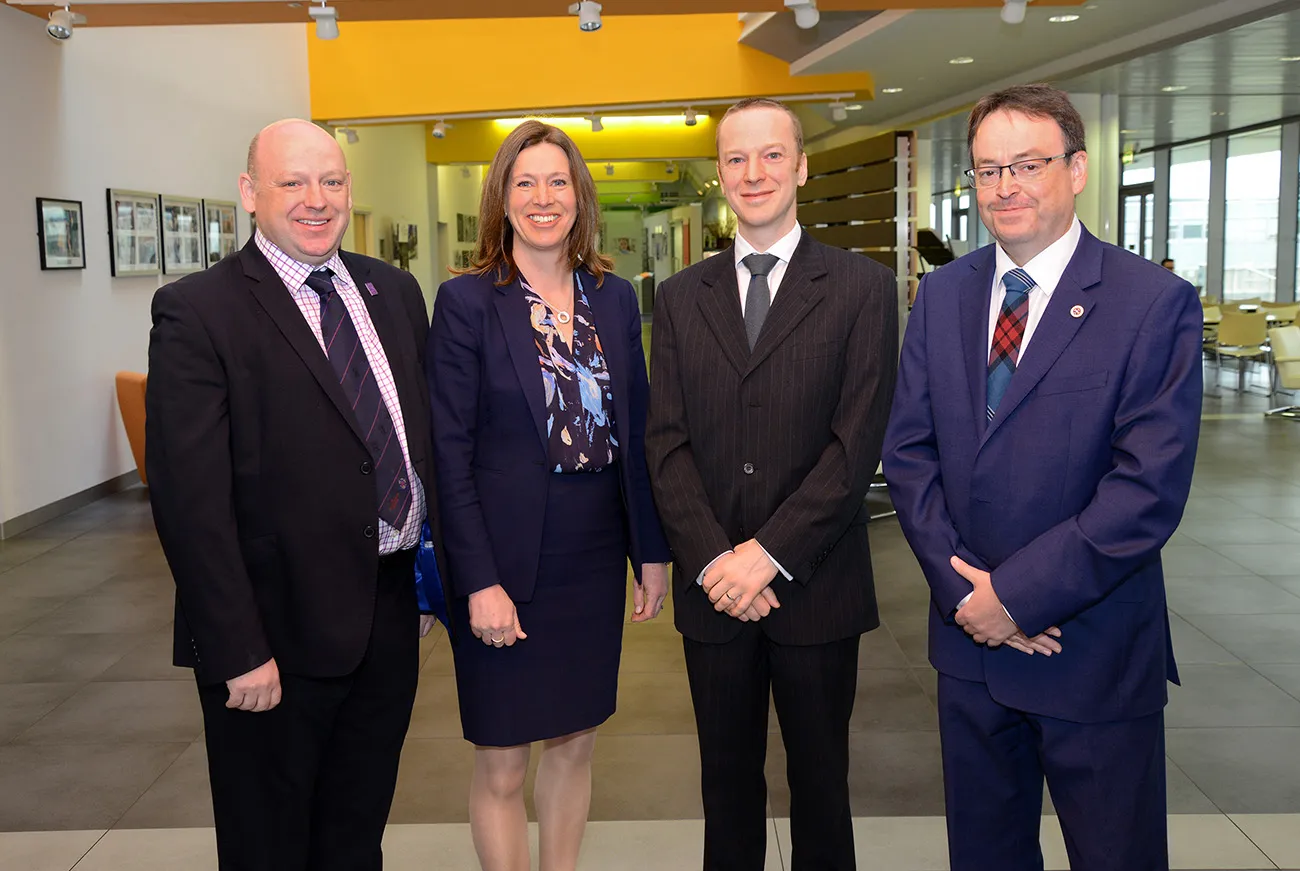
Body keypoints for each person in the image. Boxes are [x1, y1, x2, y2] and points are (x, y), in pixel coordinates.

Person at [882, 84, 1202, 871]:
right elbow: (910, 454)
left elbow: (1145, 491)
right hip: (971, 655)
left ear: (1079, 168)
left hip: (1090, 651)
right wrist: (968, 599)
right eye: (988, 170)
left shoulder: (1151, 303)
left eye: (1028, 164)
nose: (1005, 187)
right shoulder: (944, 297)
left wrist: (1015, 597)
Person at [145, 119, 438, 871]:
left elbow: (415, 444)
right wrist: (237, 648)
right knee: (269, 845)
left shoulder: (394, 292)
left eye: (332, 181)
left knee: (355, 835)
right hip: (272, 636)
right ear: (250, 193)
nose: (317, 199)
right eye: (293, 182)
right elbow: (190, 504)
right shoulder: (199, 311)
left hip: (386, 618)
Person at [645, 98, 899, 870]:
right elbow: (665, 442)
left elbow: (854, 449)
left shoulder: (861, 288)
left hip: (815, 586)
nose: (753, 173)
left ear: (801, 166)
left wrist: (768, 555)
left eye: (770, 156)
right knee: (725, 786)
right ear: (719, 172)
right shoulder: (683, 296)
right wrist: (720, 562)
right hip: (713, 590)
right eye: (735, 159)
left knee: (823, 786)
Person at [427, 120, 671, 871]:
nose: (542, 197)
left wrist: (651, 552)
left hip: (592, 552)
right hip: (503, 559)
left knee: (574, 742)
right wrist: (479, 582)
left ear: (579, 196)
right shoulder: (468, 301)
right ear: (501, 197)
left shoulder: (614, 296)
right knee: (503, 761)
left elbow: (637, 426)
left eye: (557, 181)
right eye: (524, 182)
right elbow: (449, 454)